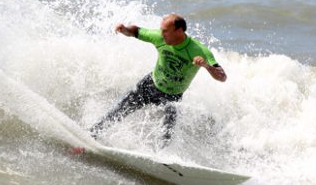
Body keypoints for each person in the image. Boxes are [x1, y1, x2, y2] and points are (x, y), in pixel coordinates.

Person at [89, 13, 227, 147]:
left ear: (179, 31)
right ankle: (89, 138)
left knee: (166, 137)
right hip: (149, 85)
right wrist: (125, 29)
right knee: (115, 113)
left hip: (172, 97)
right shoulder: (160, 38)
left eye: (166, 31)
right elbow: (136, 31)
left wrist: (206, 66)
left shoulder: (199, 50)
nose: (162, 34)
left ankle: (162, 161)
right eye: (161, 30)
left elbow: (222, 77)